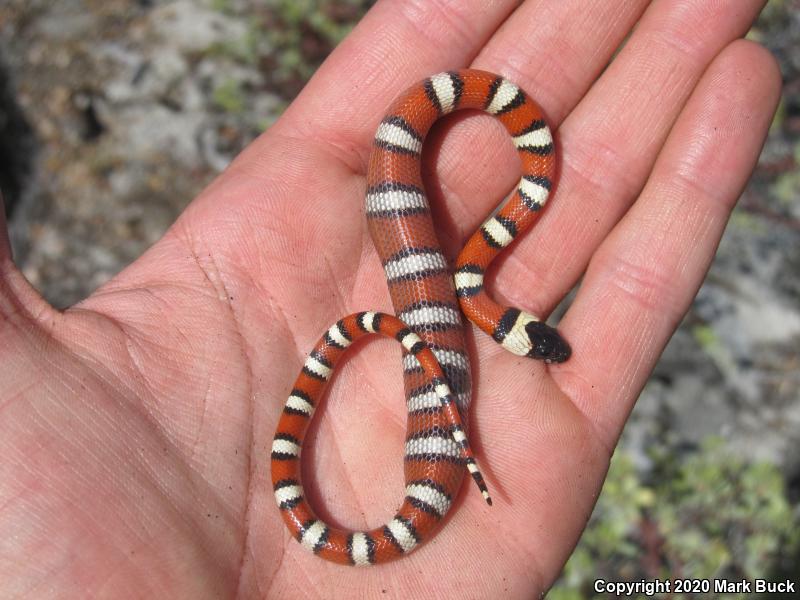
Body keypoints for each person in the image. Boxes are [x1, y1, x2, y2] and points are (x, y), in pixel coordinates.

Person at [0, 1, 781, 597]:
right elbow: (475, 261)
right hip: (453, 298)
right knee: (450, 285)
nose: (538, 334)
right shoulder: (477, 271)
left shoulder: (477, 273)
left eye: (529, 332)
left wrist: (401, 322)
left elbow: (474, 267)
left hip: (455, 295)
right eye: (533, 331)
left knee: (448, 294)